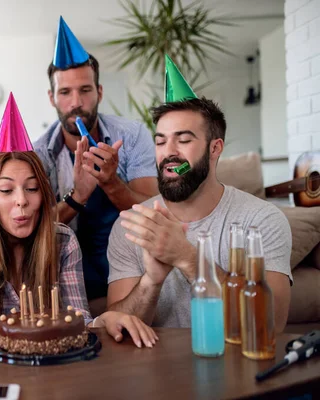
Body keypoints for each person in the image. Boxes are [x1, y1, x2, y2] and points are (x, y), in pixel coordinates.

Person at [0, 94, 157, 364]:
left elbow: (79, 326)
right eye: (6, 190)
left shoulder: (63, 241)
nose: (22, 200)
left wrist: (105, 319)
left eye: (32, 188)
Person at [106, 56, 292, 331]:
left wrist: (187, 257)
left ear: (215, 148)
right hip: (157, 371)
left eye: (183, 140)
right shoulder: (129, 227)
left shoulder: (263, 220)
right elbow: (118, 328)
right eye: (160, 141)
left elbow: (269, 325)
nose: (169, 152)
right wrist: (151, 281)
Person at [34, 17, 158, 313]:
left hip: (129, 265)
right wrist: (78, 197)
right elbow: (34, 231)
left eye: (85, 90)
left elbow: (151, 214)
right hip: (66, 275)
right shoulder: (37, 154)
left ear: (99, 92)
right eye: (65, 92)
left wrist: (111, 182)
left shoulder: (133, 135)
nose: (76, 102)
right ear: (52, 98)